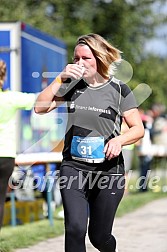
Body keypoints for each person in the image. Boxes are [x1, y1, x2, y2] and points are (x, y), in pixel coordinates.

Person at [34, 33, 144, 252]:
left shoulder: (119, 90)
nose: (79, 63)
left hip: (109, 171)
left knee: (99, 237)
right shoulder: (71, 85)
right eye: (76, 58)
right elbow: (40, 108)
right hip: (73, 167)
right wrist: (60, 78)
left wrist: (119, 141)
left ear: (100, 58)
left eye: (86, 58)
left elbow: (138, 128)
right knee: (74, 228)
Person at [0, 59, 36, 229]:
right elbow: (39, 99)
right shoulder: (11, 98)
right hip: (5, 155)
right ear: (3, 76)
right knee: (0, 200)